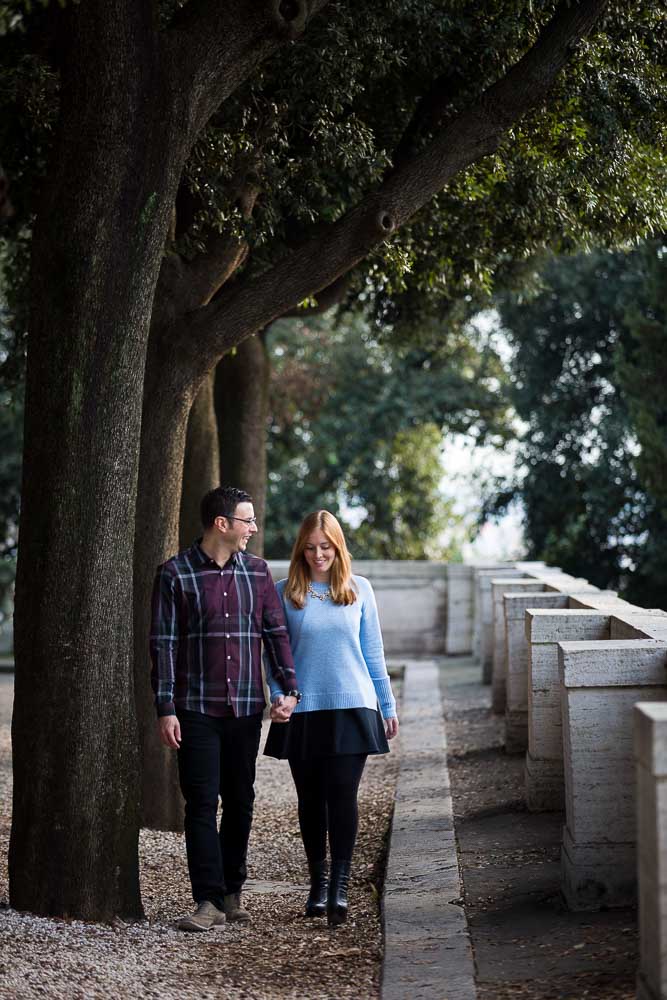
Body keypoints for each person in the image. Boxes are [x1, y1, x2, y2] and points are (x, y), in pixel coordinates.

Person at [149, 486, 300, 932]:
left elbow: (276, 634)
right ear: (222, 524)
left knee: (240, 800)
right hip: (194, 709)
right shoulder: (175, 574)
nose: (253, 528)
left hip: (245, 709)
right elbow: (163, 645)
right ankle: (208, 900)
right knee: (200, 803)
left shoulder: (257, 573)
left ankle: (233, 890)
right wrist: (165, 706)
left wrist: (288, 689)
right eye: (247, 520)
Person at [264, 510, 399, 927]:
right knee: (311, 800)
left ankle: (340, 888)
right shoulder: (283, 592)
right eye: (310, 547)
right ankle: (317, 886)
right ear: (300, 549)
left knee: (342, 794)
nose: (318, 554)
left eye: (326, 547)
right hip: (303, 708)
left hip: (352, 706)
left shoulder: (359, 590)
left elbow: (373, 654)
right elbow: (274, 657)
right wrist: (277, 696)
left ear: (338, 548)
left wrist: (388, 706)